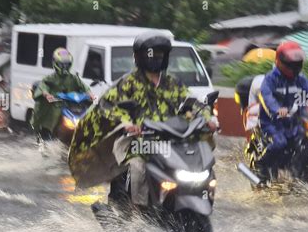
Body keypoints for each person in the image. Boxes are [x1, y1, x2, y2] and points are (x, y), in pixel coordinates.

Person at [69, 30, 217, 205]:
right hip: (137, 141)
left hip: (171, 141)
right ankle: (140, 213)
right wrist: (126, 122)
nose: (155, 58)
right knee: (138, 167)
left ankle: (198, 200)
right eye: (151, 54)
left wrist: (208, 118)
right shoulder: (127, 82)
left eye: (160, 55)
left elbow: (193, 102)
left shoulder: (172, 82)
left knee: (200, 163)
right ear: (140, 57)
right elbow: (107, 106)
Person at [256, 41, 308, 179]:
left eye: (297, 63)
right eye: (291, 64)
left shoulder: (300, 79)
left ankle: (300, 172)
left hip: (294, 122)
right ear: (280, 61)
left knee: (305, 141)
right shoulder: (271, 79)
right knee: (280, 143)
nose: (295, 67)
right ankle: (262, 165)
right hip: (273, 123)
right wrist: (277, 110)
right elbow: (267, 97)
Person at [33, 48, 92, 142]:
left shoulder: (73, 78)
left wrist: (90, 94)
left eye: (66, 64)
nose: (64, 67)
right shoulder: (50, 78)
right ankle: (46, 137)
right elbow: (43, 86)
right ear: (56, 63)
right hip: (55, 105)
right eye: (61, 64)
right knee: (51, 116)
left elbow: (84, 86)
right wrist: (47, 94)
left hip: (71, 106)